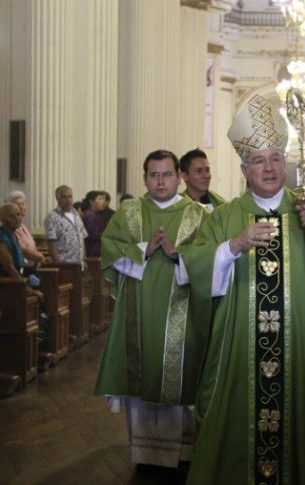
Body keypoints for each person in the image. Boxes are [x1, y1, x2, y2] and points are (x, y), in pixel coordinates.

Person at [183, 94, 305, 484]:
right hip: (239, 350)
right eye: (258, 161)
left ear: (286, 164)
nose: (268, 168)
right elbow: (193, 269)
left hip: (299, 346)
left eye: (275, 159)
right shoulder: (224, 216)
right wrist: (233, 245)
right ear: (244, 169)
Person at [94, 149, 209, 474]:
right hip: (138, 312)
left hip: (184, 315)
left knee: (183, 378)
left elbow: (211, 257)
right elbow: (108, 247)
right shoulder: (129, 211)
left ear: (179, 177)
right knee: (142, 374)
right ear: (144, 178)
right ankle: (146, 454)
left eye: (167, 174)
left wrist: (177, 255)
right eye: (154, 175)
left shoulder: (199, 214)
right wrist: (145, 249)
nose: (160, 181)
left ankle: (186, 449)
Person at [44, 185, 88, 264]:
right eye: (64, 197)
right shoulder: (52, 217)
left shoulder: (76, 215)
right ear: (58, 198)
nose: (68, 200)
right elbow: (51, 242)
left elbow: (82, 238)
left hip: (78, 262)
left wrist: (84, 259)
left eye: (70, 197)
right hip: (64, 262)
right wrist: (58, 263)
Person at [5, 191, 46, 268]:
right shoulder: (9, 227)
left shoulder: (22, 226)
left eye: (23, 204)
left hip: (30, 266)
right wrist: (38, 256)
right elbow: (17, 249)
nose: (21, 207)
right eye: (17, 205)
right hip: (19, 267)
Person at [81, 190, 107, 257]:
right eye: (99, 199)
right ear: (91, 202)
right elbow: (93, 235)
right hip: (94, 251)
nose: (103, 201)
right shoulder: (91, 215)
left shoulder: (92, 214)